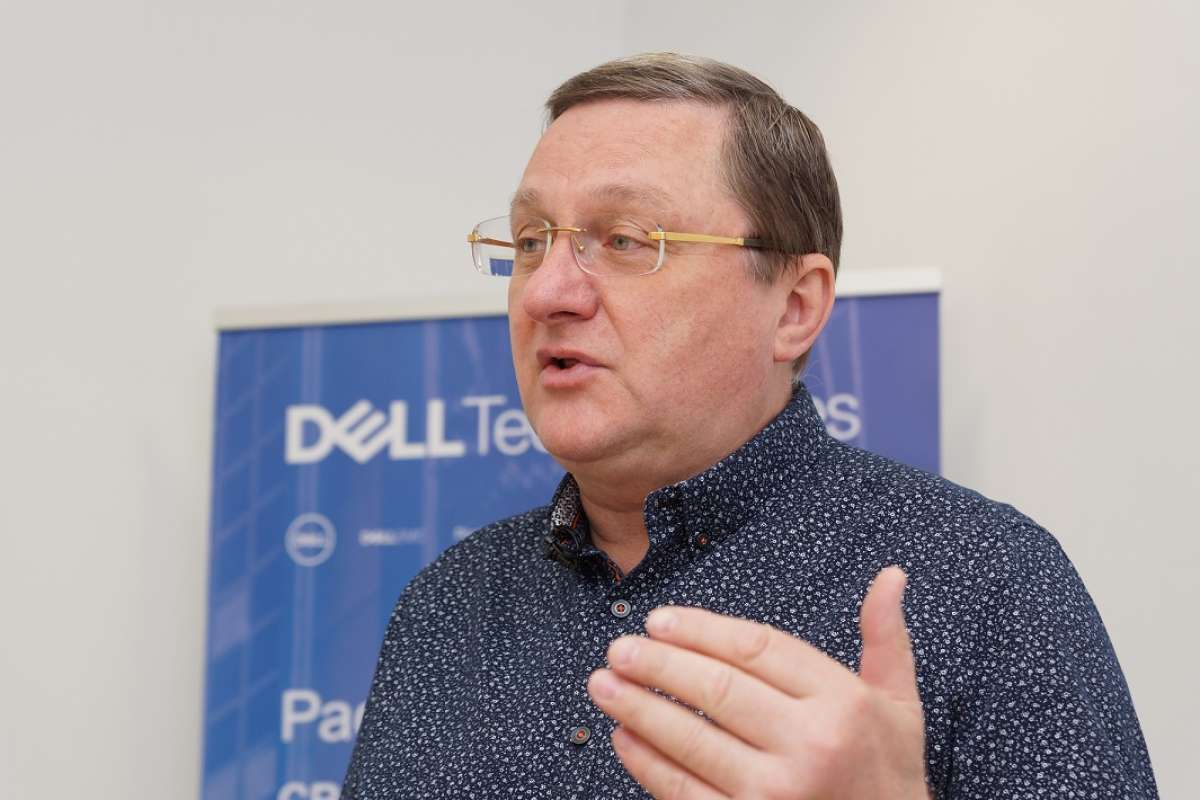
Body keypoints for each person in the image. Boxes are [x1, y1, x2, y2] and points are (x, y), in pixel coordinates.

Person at [341, 53, 1156, 799]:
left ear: (794, 307)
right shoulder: (445, 605)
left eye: (625, 240)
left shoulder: (984, 583)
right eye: (529, 241)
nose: (549, 291)